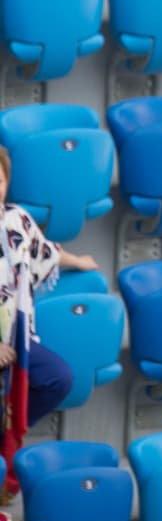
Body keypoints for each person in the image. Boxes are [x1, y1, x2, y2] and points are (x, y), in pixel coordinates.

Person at [0, 142, 95, 477]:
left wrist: (79, 262)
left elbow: (43, 252)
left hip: (17, 339)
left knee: (58, 378)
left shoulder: (17, 219)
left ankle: (6, 435)